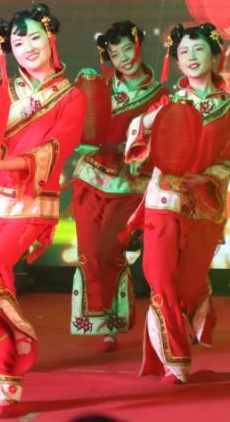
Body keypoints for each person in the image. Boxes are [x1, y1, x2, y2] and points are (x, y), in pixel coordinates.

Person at [0, 4, 87, 418]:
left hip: (29, 204)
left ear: (51, 38)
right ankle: (2, 386)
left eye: (34, 37)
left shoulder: (72, 97)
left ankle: (20, 342)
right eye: (17, 41)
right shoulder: (1, 90)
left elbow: (53, 151)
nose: (27, 47)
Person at [124, 23, 230, 384]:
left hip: (203, 203)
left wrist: (204, 178)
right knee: (159, 276)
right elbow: (137, 136)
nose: (191, 57)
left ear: (215, 55)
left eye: (199, 50)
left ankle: (173, 343)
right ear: (176, 61)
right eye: (183, 53)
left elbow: (228, 159)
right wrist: (151, 119)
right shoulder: (170, 103)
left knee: (187, 286)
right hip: (163, 198)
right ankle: (176, 358)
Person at [70, 21, 165, 352]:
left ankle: (116, 315)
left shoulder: (160, 94)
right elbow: (82, 128)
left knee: (108, 250)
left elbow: (163, 141)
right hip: (90, 178)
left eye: (127, 48)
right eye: (115, 53)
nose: (124, 58)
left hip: (129, 184)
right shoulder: (100, 88)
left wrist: (138, 152)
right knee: (89, 254)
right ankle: (105, 323)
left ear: (139, 46)